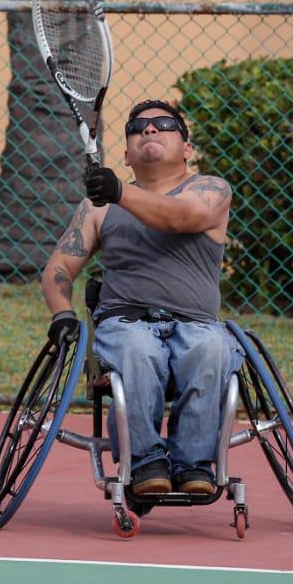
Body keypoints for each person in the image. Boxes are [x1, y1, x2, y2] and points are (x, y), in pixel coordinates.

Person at [40, 98, 241, 498]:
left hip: (196, 323)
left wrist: (117, 191)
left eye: (164, 124)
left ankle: (194, 464)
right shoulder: (97, 208)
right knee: (134, 347)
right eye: (137, 128)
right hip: (126, 321)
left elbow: (180, 217)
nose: (149, 129)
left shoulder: (211, 189)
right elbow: (59, 266)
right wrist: (62, 313)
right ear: (127, 156)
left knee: (212, 347)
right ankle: (145, 461)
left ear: (187, 149)